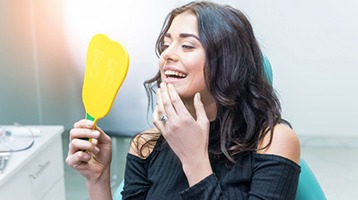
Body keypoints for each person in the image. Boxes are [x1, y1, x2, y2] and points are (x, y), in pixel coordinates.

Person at [66, 1, 301, 199]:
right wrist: (97, 180)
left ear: (228, 61)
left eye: (187, 45)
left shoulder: (272, 141)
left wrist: (194, 160)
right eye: (166, 44)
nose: (167, 54)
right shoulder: (145, 145)